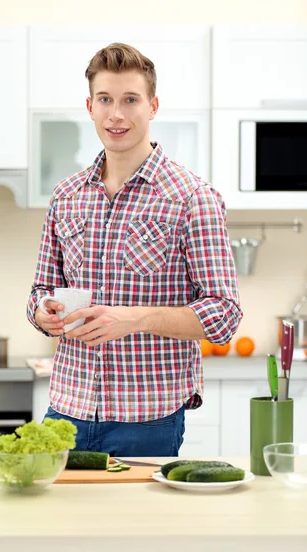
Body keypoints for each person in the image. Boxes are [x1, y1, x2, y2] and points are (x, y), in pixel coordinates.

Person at [27, 42, 242, 457]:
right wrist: (42, 312)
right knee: (56, 524)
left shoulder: (191, 197)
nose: (117, 114)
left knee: (138, 525)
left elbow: (224, 315)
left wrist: (133, 319)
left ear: (153, 105)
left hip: (148, 419)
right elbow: (40, 289)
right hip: (65, 410)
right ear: (90, 106)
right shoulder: (66, 196)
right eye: (105, 99)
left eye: (131, 100)